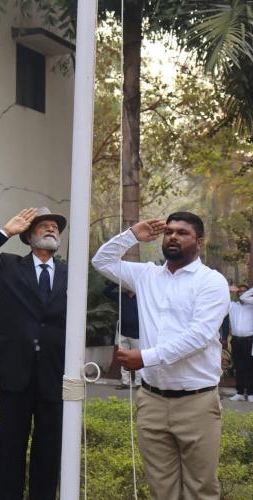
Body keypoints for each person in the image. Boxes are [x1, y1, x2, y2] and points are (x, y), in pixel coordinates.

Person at [91, 212, 230, 500]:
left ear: (199, 242)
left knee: (201, 490)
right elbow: (101, 261)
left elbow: (198, 337)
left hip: (196, 401)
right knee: (161, 490)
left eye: (182, 232)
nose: (173, 237)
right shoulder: (146, 275)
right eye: (169, 232)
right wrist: (132, 235)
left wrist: (146, 357)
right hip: (152, 400)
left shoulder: (211, 282)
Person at [0, 207, 68, 500]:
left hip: (54, 374)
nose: (52, 229)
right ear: (29, 236)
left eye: (55, 227)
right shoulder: (7, 265)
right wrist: (5, 232)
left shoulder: (69, 273)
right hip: (14, 373)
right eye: (44, 226)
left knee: (49, 450)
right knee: (10, 448)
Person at [103, 282, 141, 388]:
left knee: (138, 358)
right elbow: (106, 292)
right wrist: (116, 282)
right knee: (123, 358)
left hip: (137, 334)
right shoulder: (121, 296)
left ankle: (139, 383)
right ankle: (125, 382)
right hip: (122, 332)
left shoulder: (140, 297)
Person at [227, 284, 253, 402]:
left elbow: (244, 298)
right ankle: (240, 392)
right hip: (236, 340)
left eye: (244, 291)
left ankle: (251, 393)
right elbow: (219, 299)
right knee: (239, 367)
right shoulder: (232, 305)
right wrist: (228, 289)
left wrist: (246, 292)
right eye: (240, 291)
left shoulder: (251, 305)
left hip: (249, 341)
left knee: (250, 367)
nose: (242, 293)